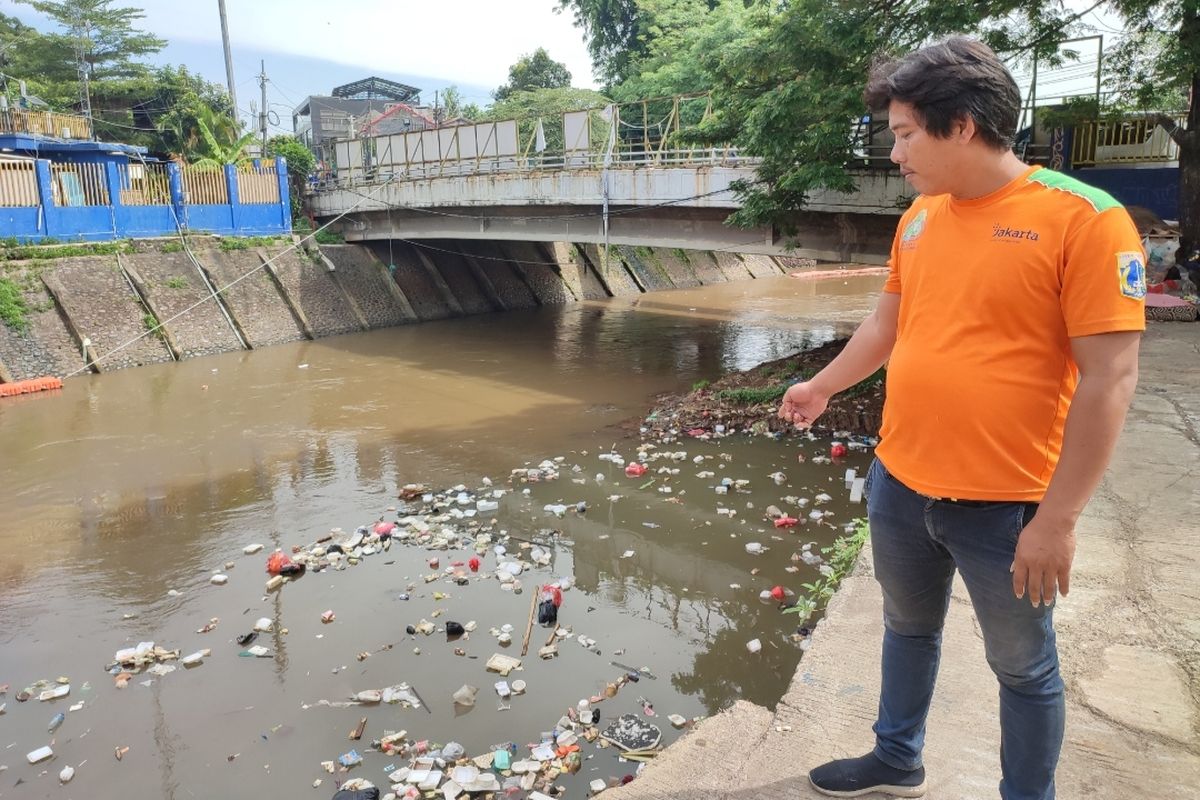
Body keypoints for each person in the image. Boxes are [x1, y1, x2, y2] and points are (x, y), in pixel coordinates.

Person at [778, 37, 1144, 800]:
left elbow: (1111, 379)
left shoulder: (1086, 220)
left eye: (907, 132)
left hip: (1007, 508)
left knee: (1023, 667)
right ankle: (896, 756)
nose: (894, 149)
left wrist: (1058, 520)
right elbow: (887, 327)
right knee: (907, 629)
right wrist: (819, 384)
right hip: (902, 484)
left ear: (964, 126)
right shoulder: (919, 217)